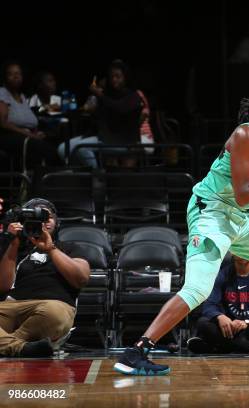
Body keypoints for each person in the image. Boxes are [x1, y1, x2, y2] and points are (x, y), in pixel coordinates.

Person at [113, 85, 249, 376]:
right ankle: (136, 351)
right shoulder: (245, 135)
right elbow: (243, 194)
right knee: (198, 289)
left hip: (243, 217)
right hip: (211, 212)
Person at [0, 198, 90, 357]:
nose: (44, 222)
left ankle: (9, 344)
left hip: (53, 306)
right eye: (36, 219)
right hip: (14, 305)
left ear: (56, 222)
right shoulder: (15, 249)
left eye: (47, 217)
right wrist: (13, 243)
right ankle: (20, 348)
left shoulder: (70, 248)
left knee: (54, 314)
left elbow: (81, 279)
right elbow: (3, 286)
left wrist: (51, 249)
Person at [57, 59, 143, 168]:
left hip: (123, 141)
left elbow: (120, 108)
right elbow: (100, 116)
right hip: (103, 137)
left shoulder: (133, 96)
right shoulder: (108, 95)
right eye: (111, 77)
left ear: (125, 78)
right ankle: (82, 175)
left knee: (82, 148)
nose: (114, 80)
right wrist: (91, 109)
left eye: (118, 76)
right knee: (62, 149)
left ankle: (97, 177)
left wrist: (100, 95)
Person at [187, 255, 249, 354]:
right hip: (226, 328)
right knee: (203, 323)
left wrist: (247, 322)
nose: (242, 254)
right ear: (232, 253)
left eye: (246, 250)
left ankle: (217, 347)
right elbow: (209, 305)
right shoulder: (221, 275)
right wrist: (220, 316)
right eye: (239, 250)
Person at [0, 60, 60, 171]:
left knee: (54, 142)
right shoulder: (2, 93)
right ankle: (45, 183)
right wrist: (30, 135)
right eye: (11, 74)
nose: (16, 76)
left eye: (18, 74)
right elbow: (3, 123)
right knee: (46, 150)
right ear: (5, 77)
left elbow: (30, 120)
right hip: (7, 136)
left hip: (27, 134)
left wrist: (36, 133)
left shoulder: (22, 96)